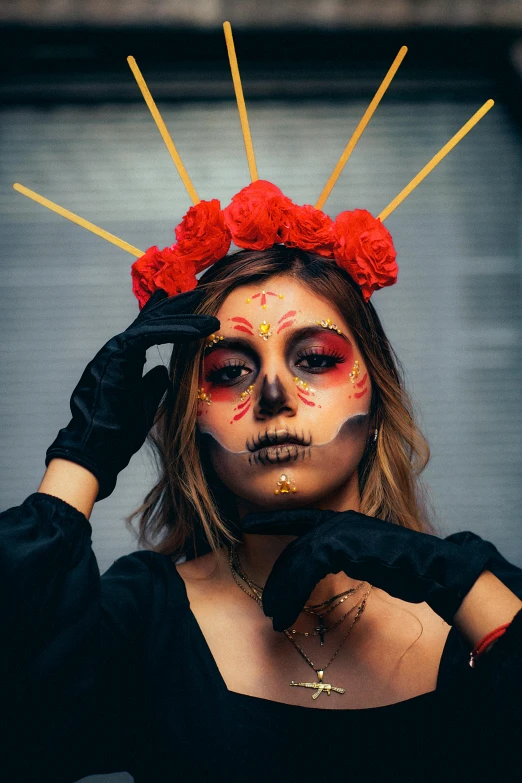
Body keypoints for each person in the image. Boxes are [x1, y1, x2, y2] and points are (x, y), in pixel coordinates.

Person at [2, 240, 522, 783]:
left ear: (376, 404)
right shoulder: (145, 614)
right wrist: (80, 456)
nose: (273, 393)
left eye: (316, 360)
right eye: (229, 372)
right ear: (192, 421)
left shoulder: (477, 592)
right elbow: (20, 729)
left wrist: (457, 582)